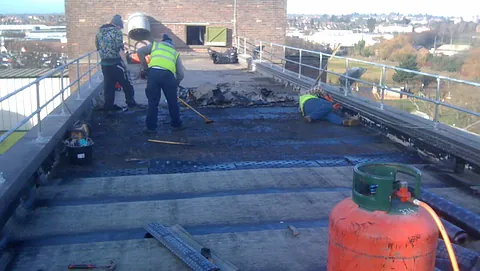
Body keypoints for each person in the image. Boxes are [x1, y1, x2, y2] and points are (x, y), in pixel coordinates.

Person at [137, 34, 186, 134]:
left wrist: (145, 67)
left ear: (162, 41)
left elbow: (140, 51)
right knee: (172, 102)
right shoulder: (174, 52)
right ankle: (176, 124)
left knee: (153, 102)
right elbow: (181, 73)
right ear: (171, 44)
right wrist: (175, 84)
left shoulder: (155, 45)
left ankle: (151, 128)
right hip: (168, 76)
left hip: (153, 74)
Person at [95, 15, 140, 111]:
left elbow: (98, 47)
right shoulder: (117, 32)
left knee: (109, 86)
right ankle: (131, 104)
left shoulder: (99, 33)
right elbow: (120, 50)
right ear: (118, 25)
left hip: (104, 65)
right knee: (127, 84)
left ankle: (108, 107)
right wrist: (125, 64)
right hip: (116, 63)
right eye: (120, 27)